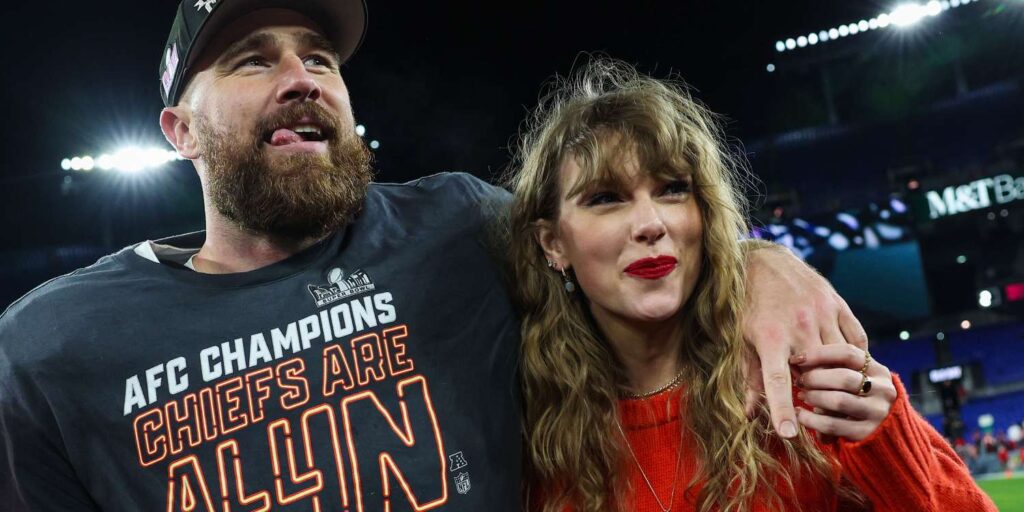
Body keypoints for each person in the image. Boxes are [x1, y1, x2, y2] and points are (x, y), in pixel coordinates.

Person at [1, 1, 870, 510]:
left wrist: (759, 263)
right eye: (251, 60)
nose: (302, 76)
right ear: (179, 130)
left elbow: (625, 235)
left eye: (320, 56)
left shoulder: (460, 227)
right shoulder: (53, 347)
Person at [507, 58, 996, 511]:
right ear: (553, 244)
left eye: (673, 189)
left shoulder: (799, 379)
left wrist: (887, 443)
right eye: (606, 197)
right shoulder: (526, 434)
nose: (650, 223)